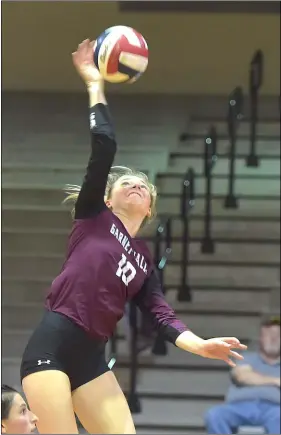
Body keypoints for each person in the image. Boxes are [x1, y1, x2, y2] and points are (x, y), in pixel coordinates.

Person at [20, 39, 247, 435]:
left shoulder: (142, 261)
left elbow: (161, 315)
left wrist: (200, 345)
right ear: (109, 197)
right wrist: (94, 82)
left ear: (150, 209)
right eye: (127, 182)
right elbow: (104, 145)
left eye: (144, 186)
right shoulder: (93, 215)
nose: (137, 185)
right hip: (52, 345)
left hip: (92, 357)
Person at [205, 316, 280, 434]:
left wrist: (255, 377)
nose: (273, 339)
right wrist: (276, 381)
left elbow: (249, 376)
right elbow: (242, 376)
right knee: (215, 414)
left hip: (275, 409)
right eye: (269, 335)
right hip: (239, 407)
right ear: (261, 339)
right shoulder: (246, 358)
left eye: (278, 336)